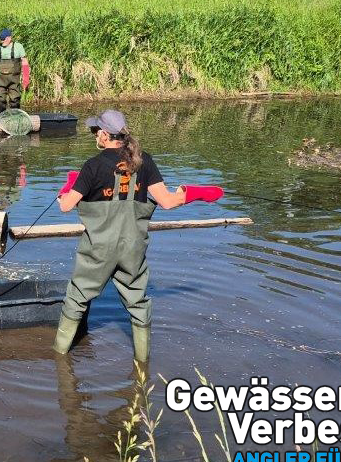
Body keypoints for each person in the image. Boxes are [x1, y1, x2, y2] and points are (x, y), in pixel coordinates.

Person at [53, 109, 224, 360]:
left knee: (77, 297)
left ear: (103, 135)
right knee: (138, 303)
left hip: (98, 248)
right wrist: (196, 193)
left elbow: (66, 205)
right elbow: (166, 201)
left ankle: (59, 357)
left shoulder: (92, 166)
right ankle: (142, 365)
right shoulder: (144, 161)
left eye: (95, 132)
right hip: (133, 247)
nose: (94, 136)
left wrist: (66, 190)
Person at [0, 28, 30, 114]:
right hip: (1, 82)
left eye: (3, 39)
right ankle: (0, 119)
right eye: (0, 39)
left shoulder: (18, 47)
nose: (2, 41)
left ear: (9, 38)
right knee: (0, 101)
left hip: (14, 81)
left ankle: (16, 119)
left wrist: (26, 78)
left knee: (15, 100)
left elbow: (25, 62)